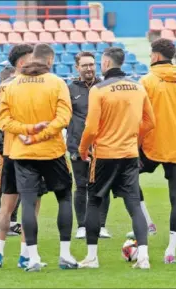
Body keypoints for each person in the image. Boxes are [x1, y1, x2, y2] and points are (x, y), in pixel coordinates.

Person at [0, 43, 77, 272]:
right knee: (64, 198)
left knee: (28, 204)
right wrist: (39, 134)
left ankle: (32, 257)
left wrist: (28, 130)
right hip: (51, 151)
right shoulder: (56, 83)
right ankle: (65, 254)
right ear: (49, 61)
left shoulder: (12, 86)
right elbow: (63, 118)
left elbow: (4, 121)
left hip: (22, 153)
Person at [77, 46, 155, 269]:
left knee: (94, 201)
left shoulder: (99, 90)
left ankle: (92, 257)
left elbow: (91, 128)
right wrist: (133, 138)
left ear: (106, 63)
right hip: (129, 153)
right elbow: (151, 123)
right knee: (134, 205)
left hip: (104, 154)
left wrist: (83, 149)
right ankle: (144, 257)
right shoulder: (137, 88)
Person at [137, 38, 176, 264]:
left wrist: (137, 144)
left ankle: (146, 219)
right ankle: (171, 249)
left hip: (151, 145)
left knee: (127, 178)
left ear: (155, 56)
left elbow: (141, 119)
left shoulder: (146, 81)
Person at [0, 44, 44, 269]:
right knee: (32, 205)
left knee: (6, 205)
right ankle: (24, 255)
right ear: (22, 62)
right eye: (32, 59)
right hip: (32, 151)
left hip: (10, 152)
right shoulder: (36, 87)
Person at [67, 51, 111, 240]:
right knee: (81, 186)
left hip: (103, 145)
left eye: (91, 64)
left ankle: (101, 226)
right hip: (78, 145)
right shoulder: (70, 89)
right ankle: (82, 226)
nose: (89, 68)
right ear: (77, 68)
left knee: (102, 186)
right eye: (84, 65)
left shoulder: (103, 87)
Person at [0, 65, 22, 240]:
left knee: (14, 187)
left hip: (11, 146)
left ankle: (10, 223)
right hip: (1, 146)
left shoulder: (1, 96)